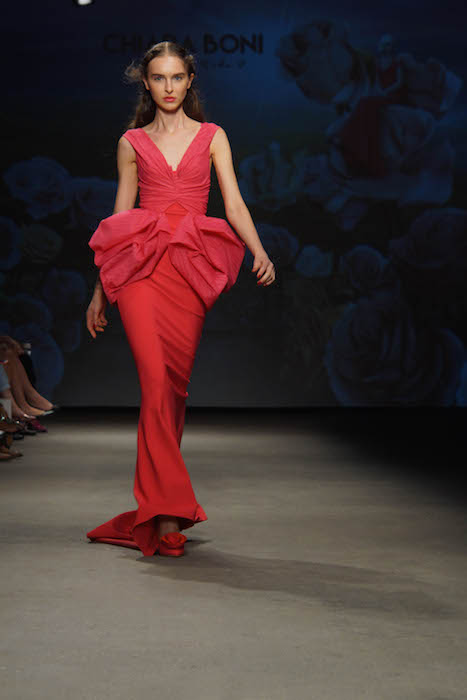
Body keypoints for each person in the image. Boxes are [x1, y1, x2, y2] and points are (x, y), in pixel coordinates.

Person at [85, 41, 275, 558]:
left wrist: (259, 250)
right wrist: (101, 290)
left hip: (189, 270)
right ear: (145, 83)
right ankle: (168, 514)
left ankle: (158, 512)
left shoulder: (213, 137)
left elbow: (233, 202)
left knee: (172, 390)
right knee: (153, 383)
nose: (168, 87)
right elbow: (119, 221)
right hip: (141, 272)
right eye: (158, 77)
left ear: (190, 80)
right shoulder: (132, 142)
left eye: (176, 77)